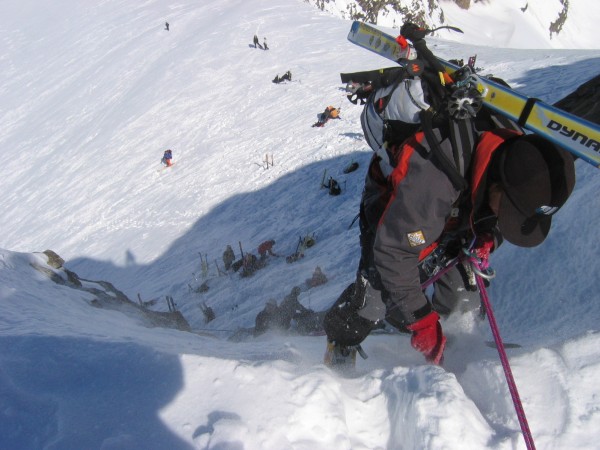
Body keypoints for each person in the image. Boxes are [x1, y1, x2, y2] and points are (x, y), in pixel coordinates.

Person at [323, 23, 576, 368]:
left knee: (462, 294)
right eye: (510, 215)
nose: (510, 222)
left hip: (460, 206)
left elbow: (502, 208)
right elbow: (393, 251)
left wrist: (488, 235)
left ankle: (438, 340)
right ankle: (341, 339)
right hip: (395, 203)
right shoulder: (436, 178)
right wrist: (421, 321)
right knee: (378, 297)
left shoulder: (514, 151)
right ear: (499, 187)